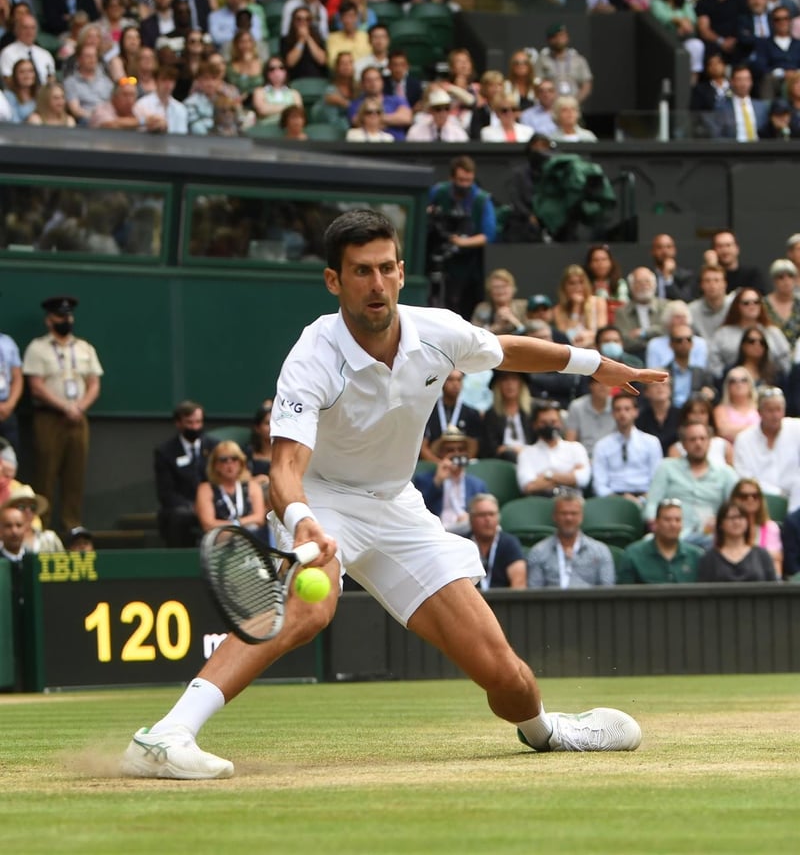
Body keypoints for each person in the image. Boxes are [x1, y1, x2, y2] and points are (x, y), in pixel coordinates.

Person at [121, 208, 658, 778]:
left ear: (401, 273)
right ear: (334, 281)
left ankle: (547, 732)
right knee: (308, 607)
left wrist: (593, 363)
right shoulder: (311, 358)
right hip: (324, 500)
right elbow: (283, 467)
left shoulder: (438, 333)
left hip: (398, 506)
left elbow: (506, 348)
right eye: (359, 272)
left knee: (507, 676)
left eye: (385, 269)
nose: (375, 284)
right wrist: (302, 520)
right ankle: (166, 734)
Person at [22, 296, 103, 533]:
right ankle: (41, 528)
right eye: (60, 316)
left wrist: (79, 407)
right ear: (49, 321)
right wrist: (64, 407)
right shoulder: (38, 348)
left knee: (75, 475)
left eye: (68, 316)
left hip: (79, 417)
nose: (66, 320)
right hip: (49, 417)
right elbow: (36, 386)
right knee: (46, 472)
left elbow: (94, 384)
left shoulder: (84, 347)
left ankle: (73, 528)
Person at [644, 421, 738, 547]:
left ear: (710, 442)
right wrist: (656, 523)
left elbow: (736, 509)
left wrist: (721, 521)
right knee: (646, 544)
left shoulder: (726, 473)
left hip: (711, 536)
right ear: (683, 444)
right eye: (692, 440)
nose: (698, 443)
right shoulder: (666, 467)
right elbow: (652, 503)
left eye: (702, 439)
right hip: (674, 532)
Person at [427, 155, 497, 321]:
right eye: (461, 180)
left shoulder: (482, 199)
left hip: (468, 261)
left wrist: (461, 242)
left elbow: (488, 236)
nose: (465, 184)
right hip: (437, 253)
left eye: (469, 180)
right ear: (452, 178)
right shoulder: (439, 192)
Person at [155, 400, 219, 548]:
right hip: (184, 507)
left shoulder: (214, 446)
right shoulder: (165, 452)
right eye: (189, 423)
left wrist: (206, 505)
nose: (195, 427)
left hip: (215, 504)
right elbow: (166, 492)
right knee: (178, 516)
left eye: (198, 422)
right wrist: (194, 507)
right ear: (179, 423)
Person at [526, 490, 616, 588]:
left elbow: (607, 591)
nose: (569, 518)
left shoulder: (600, 551)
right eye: (563, 513)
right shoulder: (538, 552)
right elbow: (534, 593)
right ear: (554, 516)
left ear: (581, 517)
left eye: (574, 513)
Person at [415, 426, 487, 535]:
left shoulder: (477, 485)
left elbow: (485, 511)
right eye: (450, 450)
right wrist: (437, 482)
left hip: (469, 532)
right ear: (441, 454)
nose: (456, 453)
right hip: (437, 531)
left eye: (461, 449)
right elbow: (418, 511)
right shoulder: (424, 480)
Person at [591, 393, 663, 501]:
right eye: (618, 409)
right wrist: (620, 501)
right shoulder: (602, 445)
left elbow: (657, 480)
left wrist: (641, 500)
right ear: (612, 414)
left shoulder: (651, 442)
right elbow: (599, 484)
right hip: (612, 500)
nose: (622, 413)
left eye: (627, 409)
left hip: (645, 498)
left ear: (636, 412)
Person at [733, 386, 800, 502]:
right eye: (770, 410)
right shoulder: (744, 439)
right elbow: (743, 477)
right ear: (759, 412)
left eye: (779, 410)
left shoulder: (797, 429)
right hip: (757, 500)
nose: (775, 416)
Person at [708, 288, 790, 382]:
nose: (752, 306)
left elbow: (784, 359)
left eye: (756, 302)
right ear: (737, 306)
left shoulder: (773, 332)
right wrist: (725, 378)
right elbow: (713, 359)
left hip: (768, 382)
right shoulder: (723, 333)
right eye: (746, 303)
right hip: (733, 384)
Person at [616, 499, 703, 584]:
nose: (673, 524)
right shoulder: (633, 555)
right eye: (667, 520)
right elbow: (623, 595)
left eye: (678, 520)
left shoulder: (696, 556)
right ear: (656, 523)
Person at [516, 402, 591, 497]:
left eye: (553, 422)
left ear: (560, 423)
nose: (549, 426)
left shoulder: (576, 448)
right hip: (540, 501)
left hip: (571, 501)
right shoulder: (526, 453)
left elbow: (583, 479)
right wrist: (569, 477)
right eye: (543, 423)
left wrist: (548, 475)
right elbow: (528, 487)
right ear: (535, 425)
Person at [195, 440, 266, 534]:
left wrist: (235, 524)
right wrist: (238, 525)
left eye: (234, 459)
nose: (230, 464)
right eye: (223, 460)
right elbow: (208, 524)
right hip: (219, 539)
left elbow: (259, 518)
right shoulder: (205, 489)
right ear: (215, 465)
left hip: (250, 537)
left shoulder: (252, 486)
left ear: (241, 463)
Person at [696, 499, 777, 581]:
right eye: (731, 518)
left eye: (740, 517)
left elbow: (773, 588)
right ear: (721, 524)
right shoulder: (709, 558)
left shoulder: (761, 555)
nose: (736, 522)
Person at [420, 369, 482, 462]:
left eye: (459, 380)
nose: (455, 384)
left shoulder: (471, 413)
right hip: (433, 467)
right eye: (450, 379)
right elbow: (423, 447)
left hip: (462, 467)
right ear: (442, 382)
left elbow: (473, 446)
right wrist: (440, 465)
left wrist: (459, 466)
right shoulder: (428, 411)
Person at [467, 493, 526, 590]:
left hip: (504, 602)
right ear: (471, 518)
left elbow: (519, 585)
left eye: (492, 514)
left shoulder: (510, 543)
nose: (488, 519)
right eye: (482, 515)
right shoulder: (462, 544)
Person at [729, 477, 783, 577]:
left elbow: (776, 559)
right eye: (744, 496)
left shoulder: (770, 527)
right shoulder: (726, 525)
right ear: (734, 498)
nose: (750, 499)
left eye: (755, 496)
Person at [479, 371, 536, 463]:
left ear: (521, 384)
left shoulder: (533, 410)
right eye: (504, 380)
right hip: (504, 460)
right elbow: (490, 448)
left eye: (514, 379)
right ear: (498, 385)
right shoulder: (492, 414)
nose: (510, 384)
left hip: (531, 456)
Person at [613, 267, 669, 360]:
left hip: (664, 354)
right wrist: (655, 338)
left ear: (655, 284)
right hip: (635, 356)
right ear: (631, 287)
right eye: (639, 282)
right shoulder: (621, 312)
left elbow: (669, 331)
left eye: (647, 281)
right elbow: (625, 340)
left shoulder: (667, 306)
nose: (644, 285)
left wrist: (644, 333)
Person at [534, 22, 593, 103]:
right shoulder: (542, 60)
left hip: (574, 107)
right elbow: (537, 84)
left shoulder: (578, 59)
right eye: (555, 36)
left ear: (567, 37)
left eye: (562, 35)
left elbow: (586, 85)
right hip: (550, 107)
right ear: (549, 40)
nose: (559, 39)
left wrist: (575, 101)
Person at [552, 264, 608, 349]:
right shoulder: (558, 310)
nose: (577, 287)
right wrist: (576, 307)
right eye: (572, 283)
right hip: (571, 350)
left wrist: (587, 336)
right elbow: (566, 337)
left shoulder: (599, 302)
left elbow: (602, 332)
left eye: (581, 282)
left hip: (595, 348)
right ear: (564, 287)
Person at [1, 484, 63, 554]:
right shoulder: (2, 543)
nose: (28, 511)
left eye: (32, 508)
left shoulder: (50, 539)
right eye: (21, 507)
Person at [563, 379, 615, 457]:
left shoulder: (618, 406)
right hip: (584, 458)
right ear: (590, 385)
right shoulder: (576, 406)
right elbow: (570, 442)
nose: (603, 386)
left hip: (612, 457)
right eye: (598, 382)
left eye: (607, 382)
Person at [471, 268, 529, 336]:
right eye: (496, 287)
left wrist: (513, 320)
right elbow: (475, 335)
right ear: (490, 291)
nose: (500, 290)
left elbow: (534, 331)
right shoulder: (482, 308)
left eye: (504, 286)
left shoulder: (524, 306)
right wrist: (497, 326)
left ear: (513, 289)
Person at [688, 264, 734, 343]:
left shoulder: (735, 307)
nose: (712, 285)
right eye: (707, 281)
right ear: (701, 285)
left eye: (716, 280)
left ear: (724, 284)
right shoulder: (691, 310)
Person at [713, 367, 759, 445]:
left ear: (750, 384)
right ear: (727, 386)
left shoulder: (759, 407)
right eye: (733, 381)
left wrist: (735, 430)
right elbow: (724, 431)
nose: (739, 384)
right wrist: (756, 429)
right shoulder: (720, 409)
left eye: (743, 380)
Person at [650, 233, 695, 302]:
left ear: (674, 250)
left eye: (668, 247)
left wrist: (668, 278)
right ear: (653, 251)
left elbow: (684, 301)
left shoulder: (686, 276)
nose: (664, 251)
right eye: (659, 247)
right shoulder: (648, 275)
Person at [764, 259, 800, 346]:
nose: (786, 281)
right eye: (781, 277)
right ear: (774, 280)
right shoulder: (763, 305)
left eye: (790, 276)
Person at [0, 320, 22, 452]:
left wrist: (10, 404)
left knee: (10, 463)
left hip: (6, 410)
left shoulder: (7, 342)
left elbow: (17, 377)